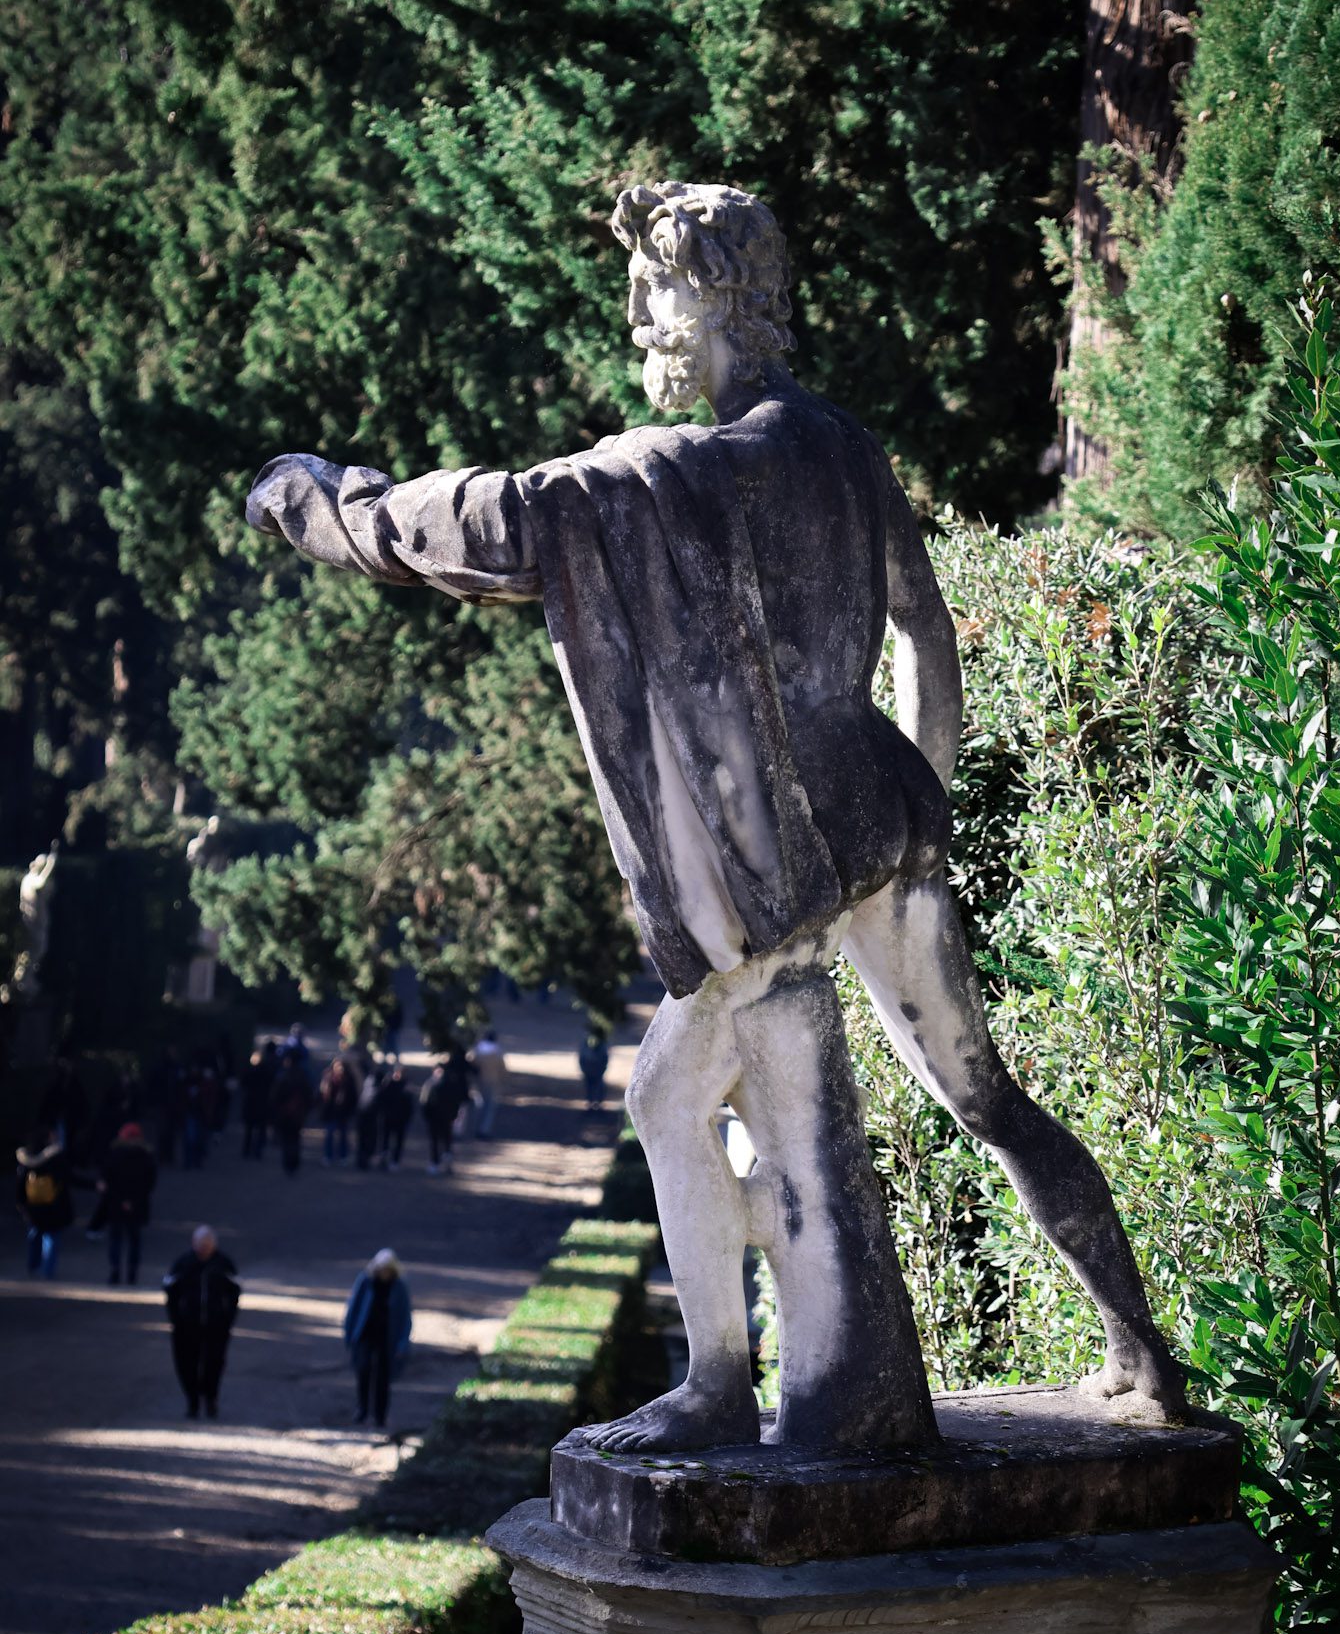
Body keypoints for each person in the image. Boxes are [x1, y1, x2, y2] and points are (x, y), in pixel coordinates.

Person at [247, 178, 1186, 1453]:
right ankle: (1142, 1351)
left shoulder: (684, 471)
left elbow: (497, 526)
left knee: (662, 1096)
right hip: (881, 816)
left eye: (656, 290)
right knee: (988, 1101)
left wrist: (330, 503)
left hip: (779, 854)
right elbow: (925, 629)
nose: (640, 318)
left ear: (721, 296)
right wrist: (920, 798)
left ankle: (716, 1383)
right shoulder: (842, 442)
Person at [163, 1224, 240, 1418]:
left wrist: (228, 1318)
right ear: (193, 1243)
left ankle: (210, 1399)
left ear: (214, 1245)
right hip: (186, 1326)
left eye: (207, 1245)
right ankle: (192, 1401)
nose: (204, 1249)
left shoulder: (223, 1264)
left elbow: (235, 1292)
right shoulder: (183, 1263)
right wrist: (176, 1318)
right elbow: (170, 1291)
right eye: (201, 1244)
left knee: (214, 1364)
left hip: (216, 1326)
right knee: (186, 1364)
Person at [343, 1248, 412, 1428]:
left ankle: (380, 1415)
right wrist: (349, 1333)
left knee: (383, 1377)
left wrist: (403, 1343)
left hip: (387, 1337)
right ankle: (362, 1409)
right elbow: (353, 1308)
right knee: (363, 1370)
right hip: (365, 1334)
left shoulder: (399, 1286)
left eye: (388, 1270)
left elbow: (405, 1317)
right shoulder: (366, 1281)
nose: (385, 1273)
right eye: (382, 1269)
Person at [97, 1122, 156, 1285]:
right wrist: (132, 1201)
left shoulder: (114, 1155)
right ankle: (132, 1273)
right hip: (137, 1205)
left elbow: (106, 1182)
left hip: (116, 1204)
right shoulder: (145, 1157)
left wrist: (120, 1200)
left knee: (116, 1239)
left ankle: (115, 1270)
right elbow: (149, 1184)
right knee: (134, 1240)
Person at [15, 1130, 73, 1279]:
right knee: (51, 1237)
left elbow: (20, 1183)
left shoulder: (26, 1158)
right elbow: (67, 1178)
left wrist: (20, 1202)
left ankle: (33, 1266)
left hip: (32, 1205)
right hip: (53, 1205)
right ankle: (48, 1270)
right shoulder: (56, 1157)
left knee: (34, 1235)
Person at [269, 1047, 312, 1175]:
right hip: (298, 1113)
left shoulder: (284, 1075)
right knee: (294, 1137)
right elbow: (309, 1095)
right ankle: (293, 1162)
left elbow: (275, 1096)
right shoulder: (303, 1076)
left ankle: (288, 1162)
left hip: (285, 1113)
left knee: (287, 1138)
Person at [419, 1058, 466, 1173]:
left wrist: (453, 1115)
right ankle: (435, 1163)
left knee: (446, 1141)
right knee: (435, 1141)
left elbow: (455, 1102)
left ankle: (446, 1163)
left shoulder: (450, 1085)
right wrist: (428, 1116)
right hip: (434, 1118)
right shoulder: (430, 1085)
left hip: (446, 1118)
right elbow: (424, 1102)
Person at [319, 1056, 358, 1166]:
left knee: (343, 1135)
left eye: (341, 1066)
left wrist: (350, 1110)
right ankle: (328, 1155)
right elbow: (322, 1094)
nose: (340, 1069)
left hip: (343, 1112)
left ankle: (343, 1155)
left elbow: (353, 1096)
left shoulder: (349, 1080)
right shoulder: (328, 1078)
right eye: (337, 1066)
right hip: (331, 1111)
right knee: (330, 1133)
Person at [240, 1042, 275, 1159]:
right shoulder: (268, 1069)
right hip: (261, 1103)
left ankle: (248, 1150)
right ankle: (256, 1151)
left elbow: (243, 1083)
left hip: (253, 1103)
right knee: (258, 1129)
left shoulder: (252, 1070)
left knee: (251, 1129)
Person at [470, 1030, 507, 1140]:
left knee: (478, 1105)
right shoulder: (497, 1053)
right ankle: (484, 1130)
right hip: (492, 1082)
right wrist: (503, 1081)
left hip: (478, 1082)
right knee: (489, 1107)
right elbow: (502, 1070)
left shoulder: (477, 1051)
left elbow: (472, 1066)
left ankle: (474, 1128)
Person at [378, 1064, 413, 1169]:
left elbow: (409, 1105)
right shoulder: (388, 1083)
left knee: (398, 1141)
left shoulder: (406, 1086)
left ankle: (395, 1161)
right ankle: (384, 1158)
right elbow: (382, 1099)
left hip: (400, 1119)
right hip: (388, 1117)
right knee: (385, 1139)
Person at [354, 1053, 383, 1170]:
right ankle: (363, 1160)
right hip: (367, 1116)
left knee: (365, 1139)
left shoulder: (370, 1082)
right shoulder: (376, 1087)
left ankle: (363, 1160)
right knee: (367, 1139)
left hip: (365, 1115)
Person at [578, 1030, 610, 1111]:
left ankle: (598, 1102)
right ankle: (591, 1101)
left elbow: (605, 1059)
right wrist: (584, 1069)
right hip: (589, 1070)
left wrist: (602, 1069)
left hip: (597, 1070)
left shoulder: (601, 1046)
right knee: (590, 1086)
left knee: (597, 1086)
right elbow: (582, 1059)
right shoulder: (585, 1046)